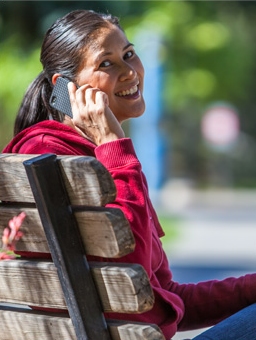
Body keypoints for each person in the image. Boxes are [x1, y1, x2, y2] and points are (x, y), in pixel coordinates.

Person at [3, 9, 256, 340]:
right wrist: (113, 146)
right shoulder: (58, 157)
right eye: (106, 63)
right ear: (65, 87)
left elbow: (161, 297)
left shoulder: (80, 154)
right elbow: (130, 296)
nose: (129, 72)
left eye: (129, 54)